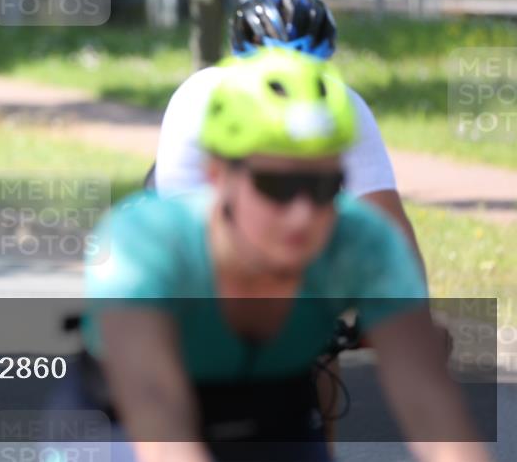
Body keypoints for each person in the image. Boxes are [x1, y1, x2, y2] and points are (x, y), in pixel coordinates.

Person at [82, 49, 491, 462]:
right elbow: (160, 426)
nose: (302, 214)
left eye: (325, 187)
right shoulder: (143, 242)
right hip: (125, 422)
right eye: (276, 186)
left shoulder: (362, 241)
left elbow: (429, 407)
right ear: (217, 176)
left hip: (274, 411)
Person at [154, 0, 422, 270]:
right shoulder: (199, 98)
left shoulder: (344, 105)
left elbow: (390, 227)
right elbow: (182, 221)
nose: (289, 86)